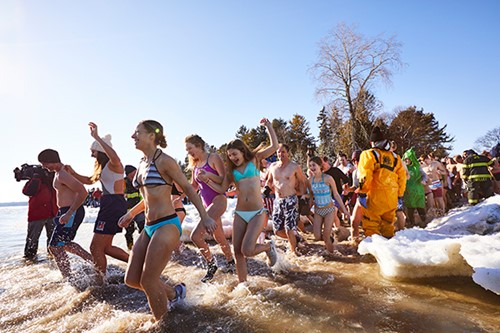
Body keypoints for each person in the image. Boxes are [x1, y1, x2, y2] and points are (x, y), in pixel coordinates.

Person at [118, 120, 217, 321]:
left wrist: (205, 216)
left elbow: (188, 188)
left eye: (137, 132)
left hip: (167, 224)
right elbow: (148, 198)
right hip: (148, 226)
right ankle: (175, 294)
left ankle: (163, 325)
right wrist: (129, 215)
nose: (132, 136)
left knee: (148, 280)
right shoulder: (141, 163)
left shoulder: (165, 161)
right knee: (132, 279)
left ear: (152, 136)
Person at [209, 118, 279, 282]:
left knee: (247, 249)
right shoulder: (231, 172)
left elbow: (274, 147)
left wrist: (269, 127)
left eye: (234, 153)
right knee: (238, 252)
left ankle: (268, 246)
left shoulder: (254, 160)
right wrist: (207, 180)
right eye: (229, 155)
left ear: (242, 151)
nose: (232, 157)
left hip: (257, 212)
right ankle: (243, 284)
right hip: (240, 213)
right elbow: (221, 190)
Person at [66, 122, 129, 277]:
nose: (91, 155)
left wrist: (97, 138)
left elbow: (115, 156)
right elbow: (89, 180)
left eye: (93, 151)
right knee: (105, 248)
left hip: (113, 204)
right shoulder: (103, 167)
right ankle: (140, 265)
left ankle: (100, 281)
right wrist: (72, 172)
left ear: (100, 151)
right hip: (110, 204)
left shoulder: (115, 165)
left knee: (95, 247)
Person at [185, 134, 235, 282]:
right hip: (207, 204)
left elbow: (224, 180)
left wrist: (207, 175)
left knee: (195, 236)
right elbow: (194, 186)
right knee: (218, 236)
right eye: (186, 150)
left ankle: (211, 265)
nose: (188, 152)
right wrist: (178, 195)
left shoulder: (213, 158)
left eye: (190, 148)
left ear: (199, 145)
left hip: (219, 200)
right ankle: (231, 261)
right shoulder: (195, 165)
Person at [37, 149, 94, 278]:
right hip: (66, 212)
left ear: (50, 161)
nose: (43, 167)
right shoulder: (61, 173)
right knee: (65, 244)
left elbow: (83, 192)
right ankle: (95, 264)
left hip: (71, 212)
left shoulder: (63, 174)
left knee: (55, 246)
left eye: (44, 164)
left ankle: (68, 277)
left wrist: (69, 213)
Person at [357, 127, 407, 238]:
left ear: (372, 142)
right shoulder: (395, 157)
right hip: (392, 198)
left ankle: (373, 252)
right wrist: (400, 195)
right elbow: (402, 178)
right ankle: (389, 250)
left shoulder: (368, 154)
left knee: (371, 227)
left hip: (375, 197)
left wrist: (362, 193)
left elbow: (365, 175)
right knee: (388, 227)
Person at [267, 143, 310, 255]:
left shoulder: (294, 166)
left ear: (288, 153)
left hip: (291, 199)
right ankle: (296, 238)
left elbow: (302, 181)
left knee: (289, 228)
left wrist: (303, 195)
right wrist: (269, 189)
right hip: (278, 200)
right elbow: (269, 181)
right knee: (277, 231)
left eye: (283, 152)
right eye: (278, 152)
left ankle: (293, 253)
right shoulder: (273, 166)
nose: (281, 154)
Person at [307, 156, 350, 253]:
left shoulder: (328, 178)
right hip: (318, 211)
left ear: (320, 165)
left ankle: (332, 255)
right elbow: (310, 196)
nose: (312, 168)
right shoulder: (310, 180)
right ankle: (331, 239)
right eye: (310, 166)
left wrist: (344, 210)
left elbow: (336, 194)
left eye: (314, 165)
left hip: (329, 210)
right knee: (317, 236)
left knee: (325, 237)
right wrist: (308, 209)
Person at [22, 169, 57, 260]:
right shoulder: (35, 181)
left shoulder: (53, 181)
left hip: (52, 214)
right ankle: (29, 258)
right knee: (32, 239)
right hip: (37, 215)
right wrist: (36, 178)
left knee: (53, 239)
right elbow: (27, 192)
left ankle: (52, 257)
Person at [402, 148, 427, 228]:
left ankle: (424, 222)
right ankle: (412, 223)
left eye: (408, 159)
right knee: (410, 207)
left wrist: (423, 180)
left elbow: (424, 175)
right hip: (408, 190)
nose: (406, 161)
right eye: (405, 159)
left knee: (420, 206)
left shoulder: (417, 167)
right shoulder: (403, 167)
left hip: (418, 189)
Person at [124, 165, 145, 250]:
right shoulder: (124, 182)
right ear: (129, 174)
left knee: (143, 229)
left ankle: (143, 248)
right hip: (128, 212)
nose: (136, 174)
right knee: (129, 231)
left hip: (140, 210)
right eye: (134, 172)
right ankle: (130, 249)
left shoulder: (139, 181)